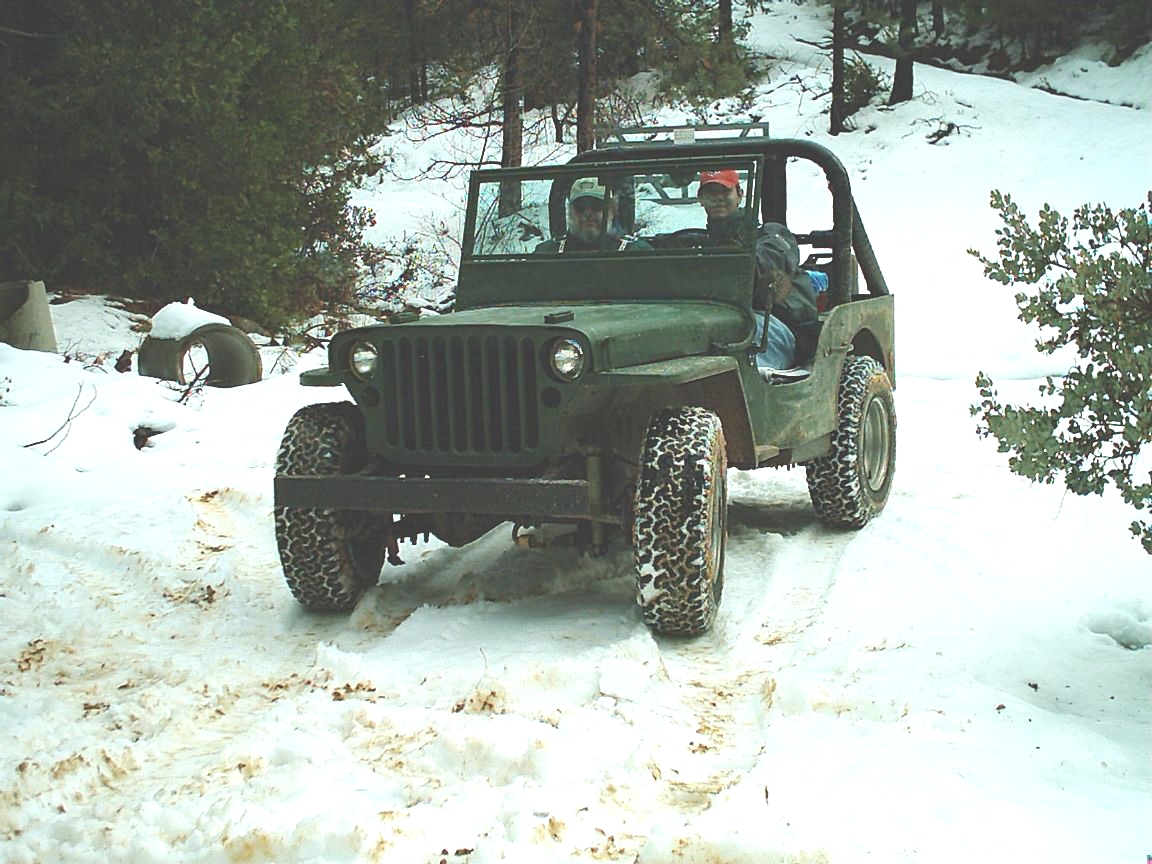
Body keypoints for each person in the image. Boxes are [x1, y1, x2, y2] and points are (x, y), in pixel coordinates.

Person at [697, 168, 820, 371]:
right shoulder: (697, 243)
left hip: (770, 321)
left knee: (736, 360)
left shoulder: (771, 235)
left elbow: (772, 259)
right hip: (709, 320)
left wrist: (730, 256)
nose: (718, 199)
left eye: (724, 192)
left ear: (739, 194)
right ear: (701, 199)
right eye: (711, 194)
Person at [535, 178, 650, 253]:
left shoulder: (636, 252)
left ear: (612, 211)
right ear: (570, 212)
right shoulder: (548, 253)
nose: (587, 214)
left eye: (596, 207)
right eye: (580, 208)